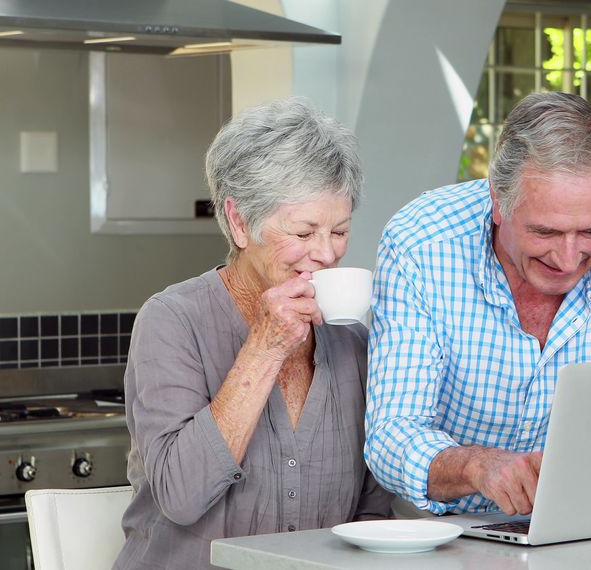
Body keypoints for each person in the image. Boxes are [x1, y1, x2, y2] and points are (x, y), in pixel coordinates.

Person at [364, 91, 591, 517]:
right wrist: (476, 466)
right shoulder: (421, 244)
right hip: (441, 532)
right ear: (499, 202)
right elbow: (391, 434)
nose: (569, 259)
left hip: (586, 525)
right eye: (546, 233)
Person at [114, 98, 392, 570]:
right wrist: (264, 348)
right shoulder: (171, 321)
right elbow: (182, 496)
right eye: (304, 234)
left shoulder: (352, 342)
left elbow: (372, 510)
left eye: (339, 231)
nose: (326, 253)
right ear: (241, 222)